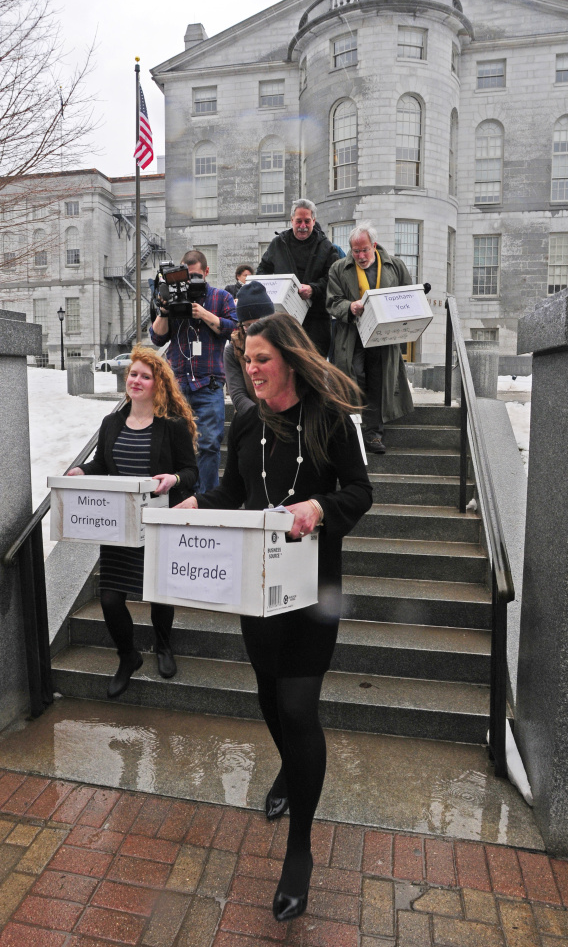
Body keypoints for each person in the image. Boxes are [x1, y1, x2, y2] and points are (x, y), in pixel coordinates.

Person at [174, 314, 372, 922]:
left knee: (297, 708)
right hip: (257, 590)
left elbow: (360, 491)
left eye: (261, 358)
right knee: (268, 698)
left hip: (312, 590)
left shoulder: (329, 417)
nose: (250, 368)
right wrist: (193, 504)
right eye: (246, 358)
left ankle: (300, 849)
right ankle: (291, 768)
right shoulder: (245, 422)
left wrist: (320, 507)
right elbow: (233, 493)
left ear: (289, 357)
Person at [67, 346, 198, 699]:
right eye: (133, 374)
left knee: (159, 594)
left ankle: (163, 645)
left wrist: (173, 479)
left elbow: (191, 472)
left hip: (157, 520)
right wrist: (82, 470)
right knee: (110, 599)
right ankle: (128, 656)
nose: (136, 380)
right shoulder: (111, 423)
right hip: (119, 524)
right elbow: (102, 464)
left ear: (158, 383)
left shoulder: (172, 426)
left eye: (145, 376)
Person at [150, 249, 237, 492]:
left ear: (207, 272)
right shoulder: (171, 297)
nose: (190, 282)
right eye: (185, 277)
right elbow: (157, 338)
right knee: (172, 447)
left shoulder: (221, 297)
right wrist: (164, 311)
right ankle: (178, 498)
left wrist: (205, 314)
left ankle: (205, 500)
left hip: (208, 384)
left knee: (208, 445)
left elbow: (234, 329)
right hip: (177, 385)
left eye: (196, 276)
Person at [327, 223, 414, 454]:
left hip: (382, 336)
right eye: (355, 251)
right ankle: (354, 430)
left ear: (374, 246)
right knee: (355, 377)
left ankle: (374, 434)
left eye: (365, 250)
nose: (361, 256)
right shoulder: (338, 268)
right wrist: (349, 306)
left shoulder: (395, 266)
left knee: (378, 380)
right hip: (351, 336)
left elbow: (408, 296)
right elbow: (332, 302)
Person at [256, 198, 339, 358]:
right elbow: (262, 271)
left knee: (314, 366)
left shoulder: (327, 247)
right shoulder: (278, 244)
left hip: (316, 321)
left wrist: (313, 289)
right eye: (299, 221)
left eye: (307, 221)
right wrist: (274, 289)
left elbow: (333, 280)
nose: (303, 226)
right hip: (284, 321)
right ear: (291, 220)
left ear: (314, 220)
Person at [224, 280, 275, 415]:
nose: (253, 331)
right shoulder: (233, 350)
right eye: (247, 325)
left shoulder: (284, 341)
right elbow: (238, 394)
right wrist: (259, 418)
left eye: (258, 324)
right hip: (251, 417)